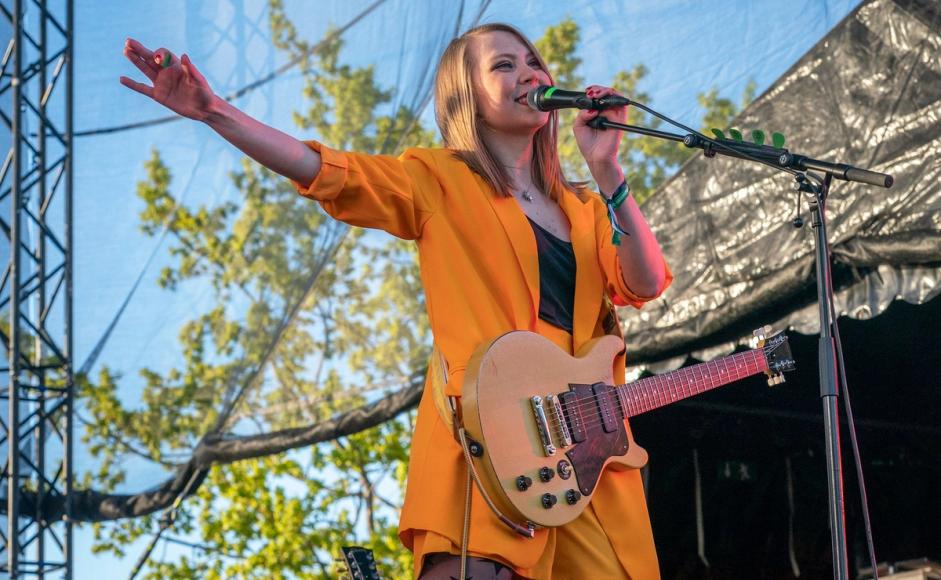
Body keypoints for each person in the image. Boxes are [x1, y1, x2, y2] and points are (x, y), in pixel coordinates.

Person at [122, 21, 671, 580]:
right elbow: (324, 170)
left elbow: (645, 282)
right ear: (468, 99)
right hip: (494, 439)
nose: (530, 71)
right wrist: (214, 110)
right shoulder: (437, 179)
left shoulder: (583, 208)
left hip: (585, 455)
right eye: (503, 65)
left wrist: (608, 173)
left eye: (533, 61)